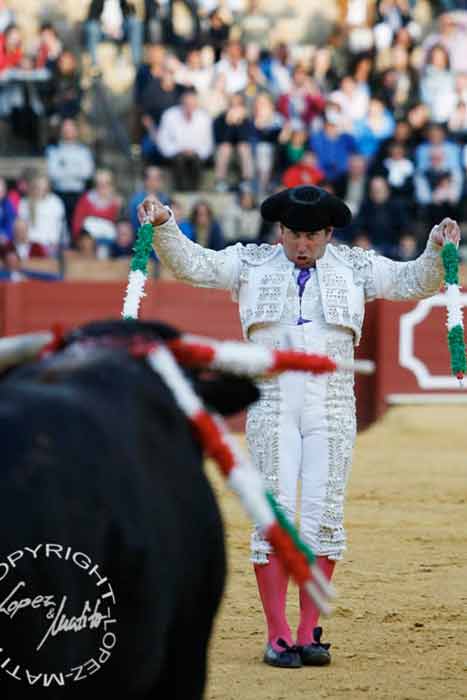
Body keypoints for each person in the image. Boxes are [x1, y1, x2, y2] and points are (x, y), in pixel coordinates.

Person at [137, 185, 460, 670]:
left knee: (323, 515)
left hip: (331, 403)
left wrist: (436, 247)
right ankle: (278, 634)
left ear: (329, 233)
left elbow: (413, 280)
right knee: (276, 512)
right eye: (293, 234)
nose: (301, 244)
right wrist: (164, 225)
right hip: (271, 400)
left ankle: (310, 632)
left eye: (311, 235)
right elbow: (194, 265)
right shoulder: (252, 263)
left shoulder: (356, 266)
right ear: (280, 230)